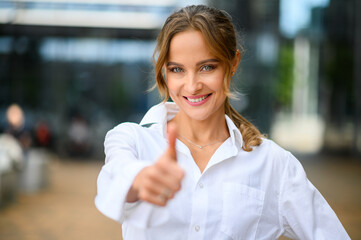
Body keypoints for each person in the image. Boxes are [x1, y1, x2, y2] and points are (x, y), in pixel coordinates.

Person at [95, 5, 350, 240]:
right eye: (177, 69)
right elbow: (116, 180)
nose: (192, 86)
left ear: (233, 63)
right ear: (164, 71)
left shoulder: (273, 164)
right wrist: (141, 180)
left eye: (207, 67)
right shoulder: (131, 139)